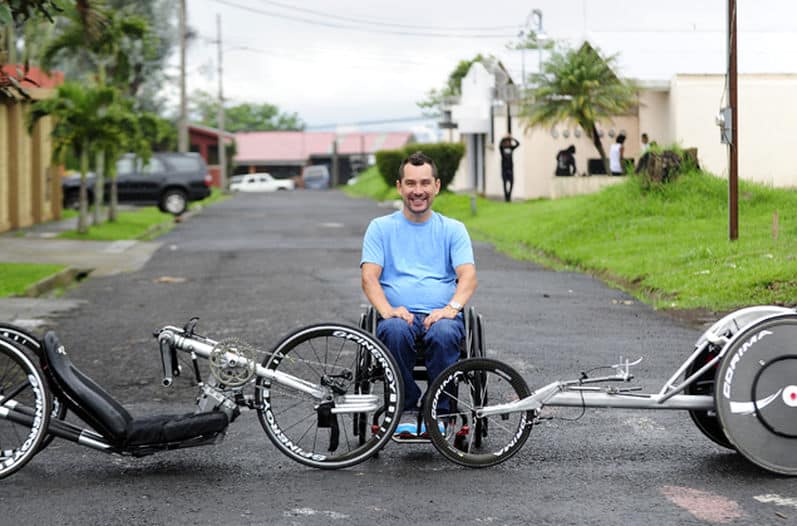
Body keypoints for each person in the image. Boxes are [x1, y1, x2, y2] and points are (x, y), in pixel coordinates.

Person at [360, 151, 478, 437]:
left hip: (443, 315)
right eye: (411, 184)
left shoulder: (453, 229)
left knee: (445, 333)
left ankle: (439, 410)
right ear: (399, 187)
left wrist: (451, 308)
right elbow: (369, 277)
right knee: (394, 330)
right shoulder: (380, 228)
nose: (418, 191)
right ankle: (407, 407)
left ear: (436, 186)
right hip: (399, 315)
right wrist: (388, 310)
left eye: (425, 183)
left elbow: (468, 276)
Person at [499, 134, 520, 202]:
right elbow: (500, 144)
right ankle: (506, 197)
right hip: (504, 169)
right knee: (505, 183)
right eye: (507, 142)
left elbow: (518, 143)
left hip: (510, 168)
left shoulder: (511, 148)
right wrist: (504, 138)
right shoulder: (502, 148)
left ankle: (509, 195)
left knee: (511, 182)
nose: (508, 143)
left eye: (509, 141)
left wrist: (512, 138)